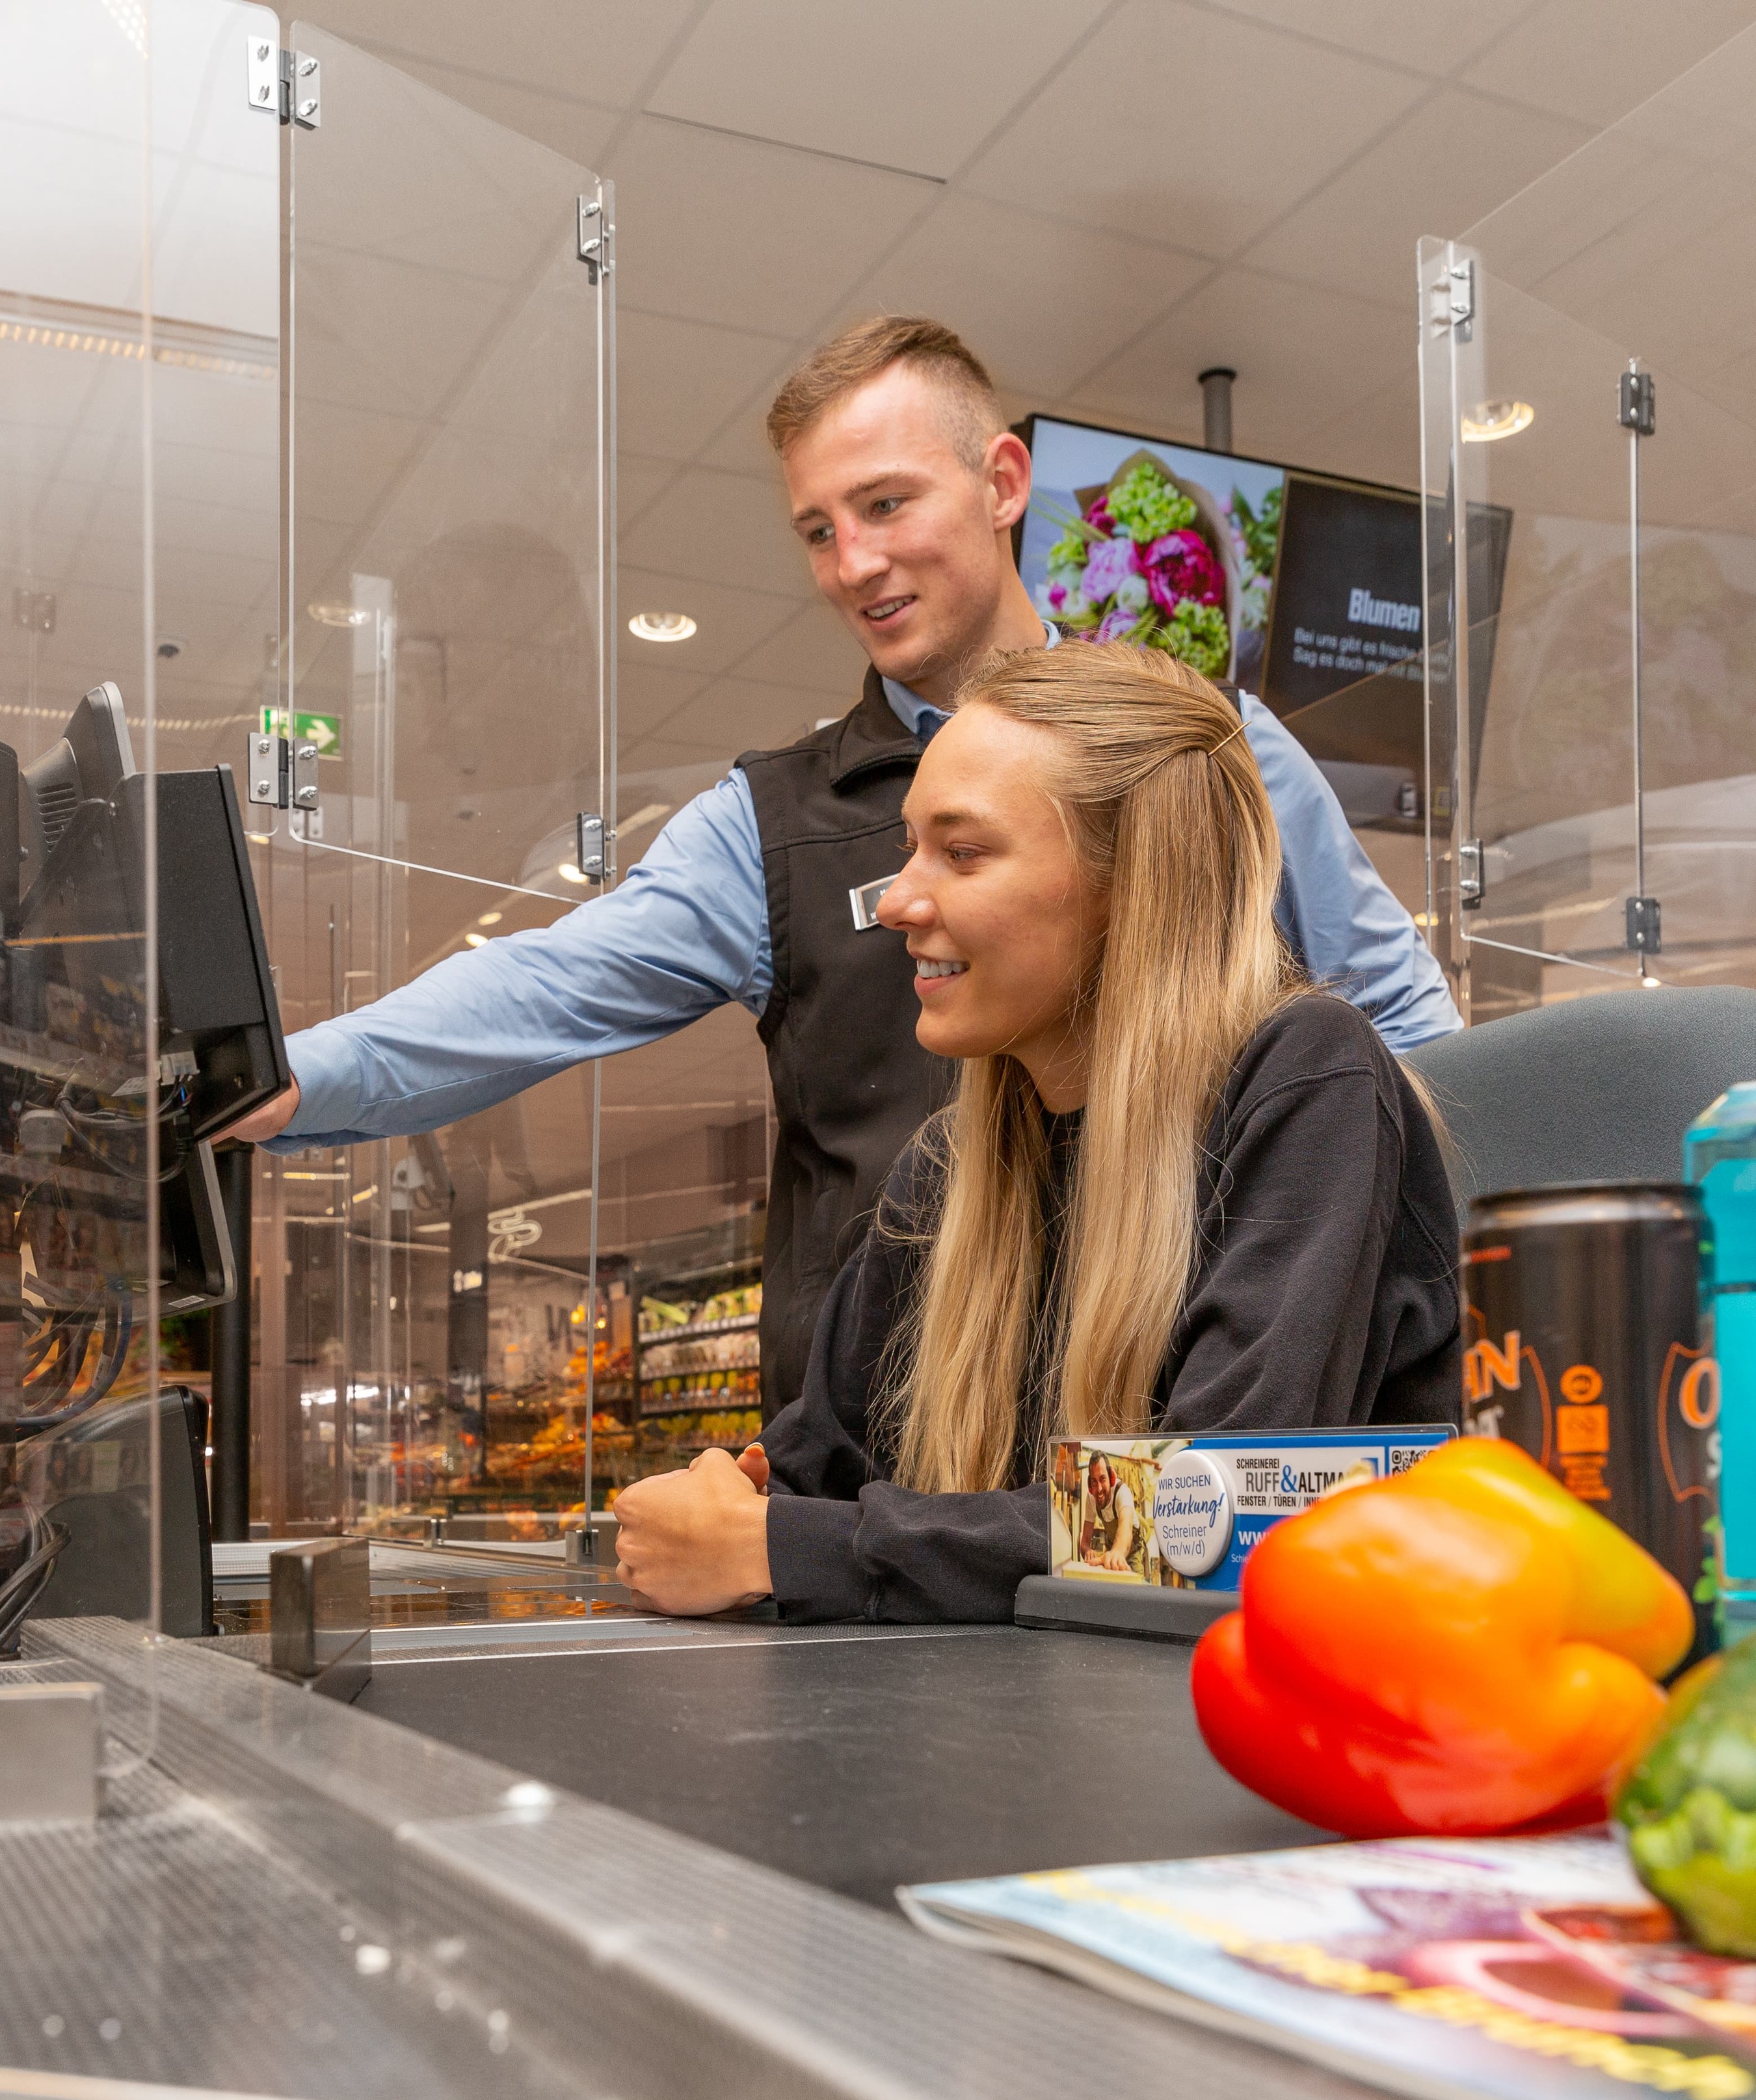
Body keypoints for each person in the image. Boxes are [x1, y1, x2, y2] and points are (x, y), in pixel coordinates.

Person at [219, 316, 1457, 1415]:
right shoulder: (772, 820)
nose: (851, 562)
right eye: (817, 528)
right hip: (891, 1437)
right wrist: (283, 1080)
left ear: (1003, 481)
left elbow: (1408, 1030)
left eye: (884, 504)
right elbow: (545, 988)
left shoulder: (1210, 748)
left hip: (1170, 1399)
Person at [605, 641, 1462, 1623]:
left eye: (962, 852)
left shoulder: (1310, 1079)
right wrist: (728, 1501)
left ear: (1130, 882)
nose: (895, 904)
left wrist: (781, 1544)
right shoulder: (950, 1165)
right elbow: (807, 1471)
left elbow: (1206, 1519)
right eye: (908, 851)